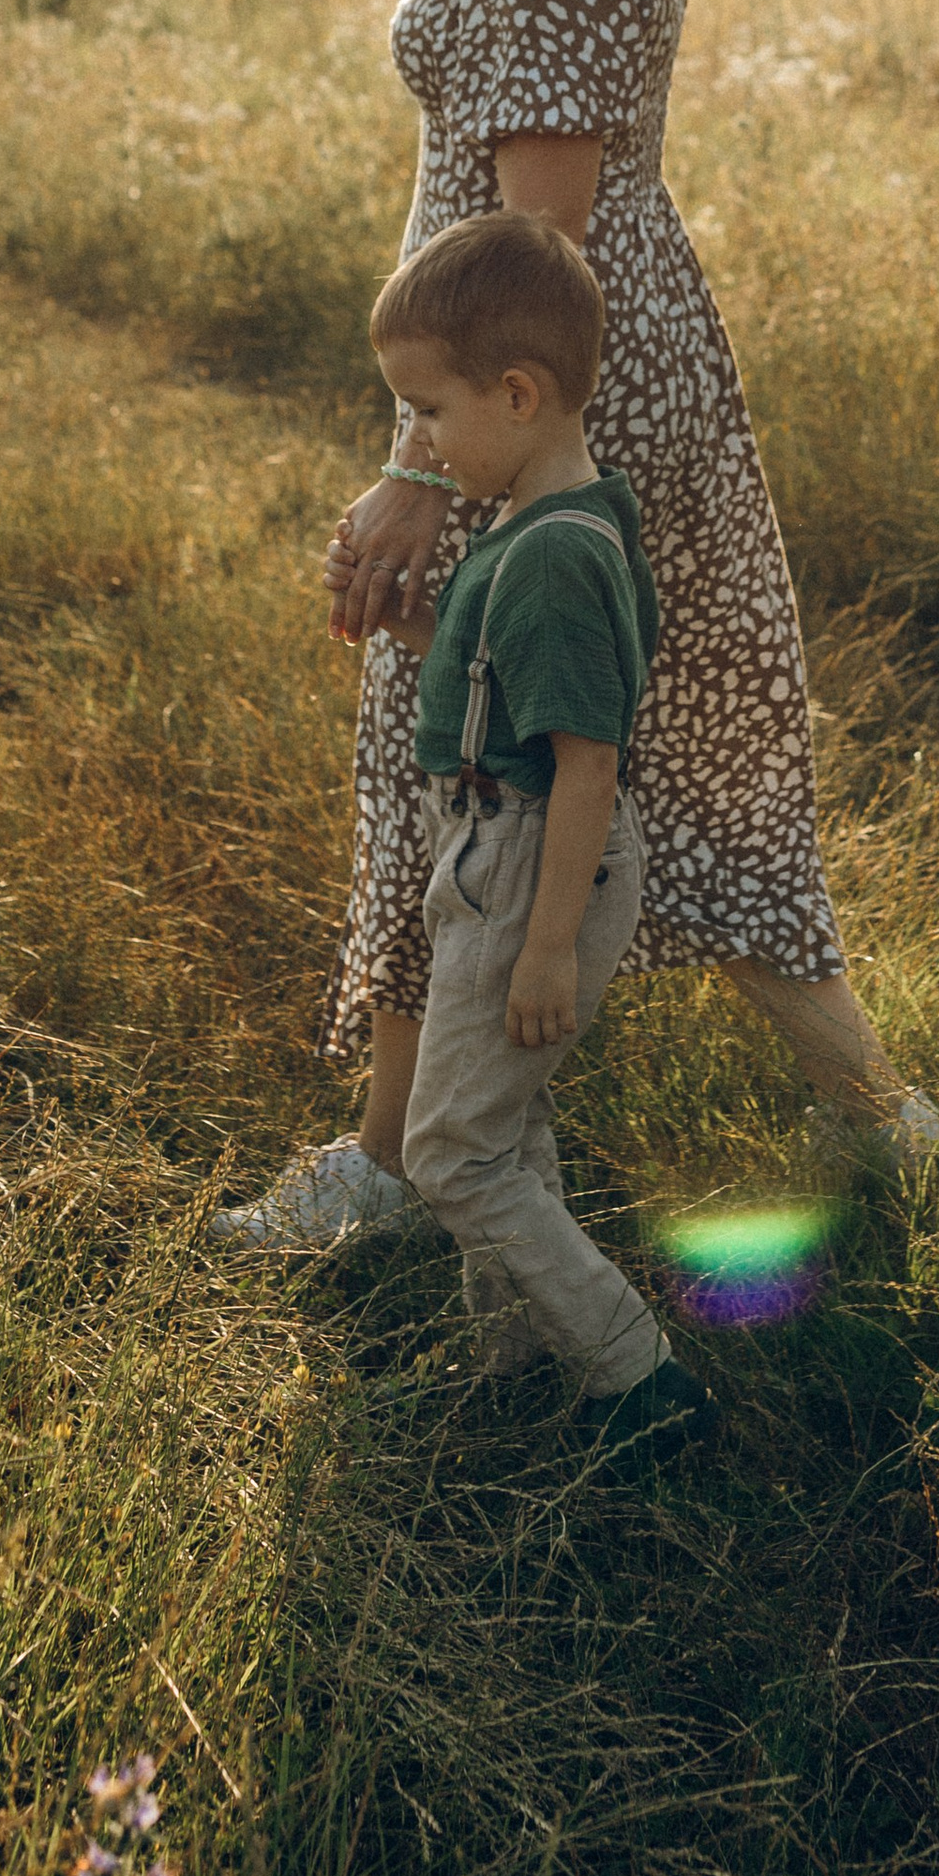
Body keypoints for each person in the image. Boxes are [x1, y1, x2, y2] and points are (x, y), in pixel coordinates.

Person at [217, 0, 939, 1250]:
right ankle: (886, 1122)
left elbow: (535, 230)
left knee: (446, 748)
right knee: (678, 760)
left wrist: (426, 465)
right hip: (613, 376)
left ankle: (393, 1175)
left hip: (539, 394)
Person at [365, 206, 709, 1459]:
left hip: (525, 867)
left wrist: (549, 944)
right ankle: (512, 1359)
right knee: (495, 1128)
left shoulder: (559, 550)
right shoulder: (534, 519)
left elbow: (586, 761)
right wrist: (407, 627)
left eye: (427, 411)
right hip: (494, 850)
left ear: (516, 394)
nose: (419, 441)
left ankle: (636, 1380)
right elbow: (503, 690)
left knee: (447, 1153)